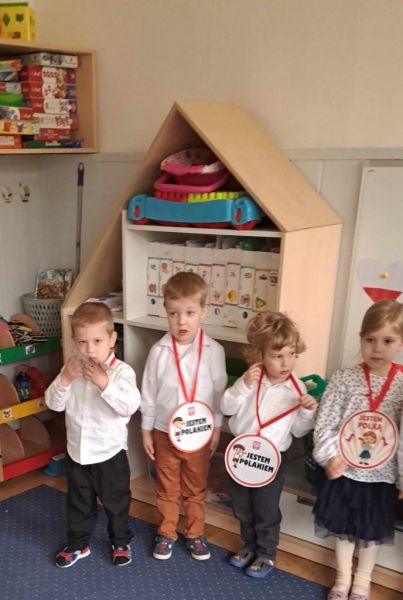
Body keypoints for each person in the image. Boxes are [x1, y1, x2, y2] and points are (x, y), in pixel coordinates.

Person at [313, 299, 403, 600]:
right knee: (343, 526)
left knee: (371, 530)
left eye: (387, 341)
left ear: (401, 342)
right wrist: (329, 456)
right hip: (345, 470)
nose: (377, 348)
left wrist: (402, 478)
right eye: (370, 340)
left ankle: (363, 581)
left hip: (381, 475)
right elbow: (326, 423)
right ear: (361, 339)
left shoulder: (402, 384)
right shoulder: (344, 378)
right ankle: (342, 579)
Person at [220, 311, 317, 578]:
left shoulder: (298, 389)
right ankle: (248, 545)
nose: (286, 362)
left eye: (291, 354)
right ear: (259, 355)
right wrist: (242, 386)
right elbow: (226, 408)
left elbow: (299, 430)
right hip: (240, 452)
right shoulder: (250, 380)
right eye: (277, 356)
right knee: (241, 504)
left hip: (271, 458)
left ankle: (266, 552)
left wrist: (307, 411)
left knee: (266, 508)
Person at [45, 302, 141, 568]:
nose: (90, 349)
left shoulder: (122, 372)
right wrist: (65, 379)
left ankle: (120, 541)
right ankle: (78, 544)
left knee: (116, 503)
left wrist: (104, 383)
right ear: (74, 341)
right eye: (82, 342)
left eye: (97, 341)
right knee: (78, 503)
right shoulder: (71, 369)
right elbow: (53, 404)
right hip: (77, 452)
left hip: (110, 454)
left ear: (112, 339)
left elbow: (129, 407)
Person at [141, 271, 227, 561]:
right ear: (165, 311)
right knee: (166, 487)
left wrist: (217, 428)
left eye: (189, 313)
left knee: (195, 487)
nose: (181, 322)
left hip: (199, 433)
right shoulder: (159, 351)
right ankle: (166, 533)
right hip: (164, 432)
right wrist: (146, 430)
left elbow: (218, 394)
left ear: (203, 310)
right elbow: (149, 393)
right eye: (174, 313)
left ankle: (194, 533)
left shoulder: (215, 351)